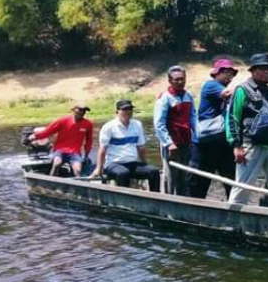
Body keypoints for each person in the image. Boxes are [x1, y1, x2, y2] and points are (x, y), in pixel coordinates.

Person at [225, 53, 268, 209]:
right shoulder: (242, 90)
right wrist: (236, 145)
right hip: (250, 145)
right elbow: (233, 118)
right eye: (261, 69)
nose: (266, 72)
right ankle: (233, 218)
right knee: (243, 185)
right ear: (253, 71)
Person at [189, 58, 239, 199]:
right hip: (205, 143)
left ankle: (234, 209)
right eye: (226, 73)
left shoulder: (224, 87)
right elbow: (227, 94)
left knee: (231, 178)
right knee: (199, 181)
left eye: (231, 74)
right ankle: (195, 209)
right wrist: (247, 86)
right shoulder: (211, 85)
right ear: (217, 74)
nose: (229, 77)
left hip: (222, 142)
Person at [92, 99, 160, 191]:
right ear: (117, 112)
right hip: (113, 164)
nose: (128, 112)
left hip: (132, 163)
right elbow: (102, 149)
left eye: (130, 109)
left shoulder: (137, 125)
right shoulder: (109, 127)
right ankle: (125, 200)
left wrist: (145, 163)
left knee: (153, 171)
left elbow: (141, 147)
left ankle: (155, 198)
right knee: (123, 173)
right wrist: (99, 168)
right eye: (124, 109)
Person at [154, 65, 198, 195]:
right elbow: (158, 123)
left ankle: (183, 203)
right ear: (170, 81)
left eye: (182, 79)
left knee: (184, 174)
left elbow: (193, 117)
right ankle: (168, 203)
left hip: (186, 141)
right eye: (177, 79)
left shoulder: (188, 96)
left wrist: (196, 136)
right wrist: (169, 143)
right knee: (170, 176)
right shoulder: (165, 98)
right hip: (172, 144)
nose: (180, 82)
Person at [28, 104, 93, 176]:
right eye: (80, 110)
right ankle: (51, 180)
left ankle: (78, 185)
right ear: (74, 110)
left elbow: (89, 141)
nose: (82, 112)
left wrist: (86, 155)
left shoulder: (88, 124)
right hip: (60, 150)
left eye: (84, 111)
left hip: (75, 152)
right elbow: (48, 131)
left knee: (77, 171)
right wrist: (35, 136)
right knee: (57, 164)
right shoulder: (63, 120)